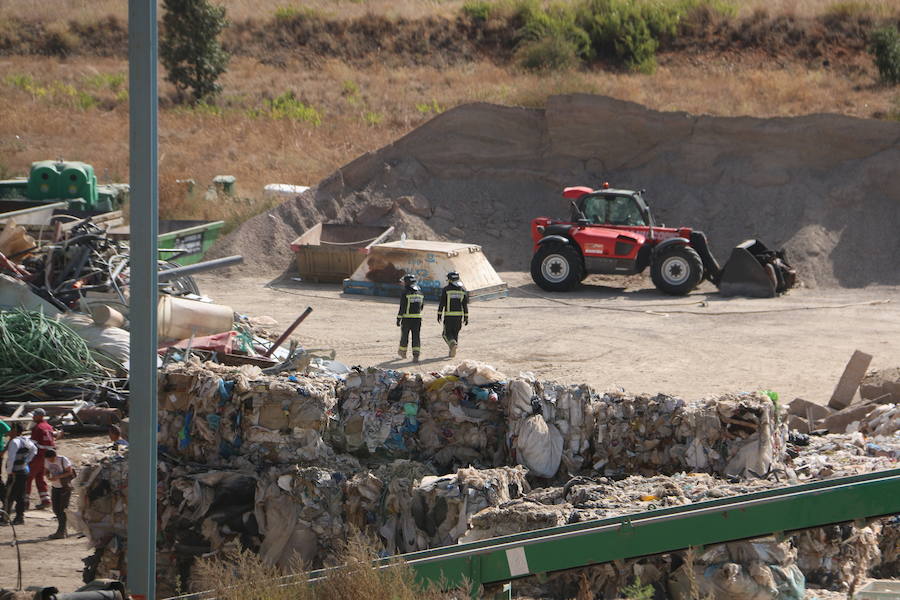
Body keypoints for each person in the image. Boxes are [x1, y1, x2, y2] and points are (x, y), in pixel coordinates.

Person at [27, 407, 61, 510]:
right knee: (40, 478)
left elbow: (32, 445)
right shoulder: (49, 427)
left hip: (38, 456)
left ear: (40, 416)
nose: (33, 417)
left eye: (35, 415)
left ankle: (24, 502)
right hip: (47, 458)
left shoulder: (37, 428)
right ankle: (45, 500)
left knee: (28, 479)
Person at [5, 423, 37, 526]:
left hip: (15, 472)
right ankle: (19, 517)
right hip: (23, 471)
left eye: (11, 430)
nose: (9, 432)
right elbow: (34, 450)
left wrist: (9, 472)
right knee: (20, 495)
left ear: (15, 431)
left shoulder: (14, 442)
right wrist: (26, 461)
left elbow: (11, 458)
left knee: (9, 495)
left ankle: (5, 517)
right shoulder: (26, 440)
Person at [44, 448, 75, 539]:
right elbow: (46, 471)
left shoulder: (63, 460)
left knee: (63, 509)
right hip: (55, 486)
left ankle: (61, 531)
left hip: (64, 487)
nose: (50, 461)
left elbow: (69, 472)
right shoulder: (47, 461)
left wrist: (58, 477)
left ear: (55, 456)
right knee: (56, 509)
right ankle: (62, 529)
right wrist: (48, 476)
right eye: (49, 460)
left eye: (51, 459)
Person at [437, 271, 469, 358]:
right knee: (455, 333)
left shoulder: (446, 289)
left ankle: (452, 344)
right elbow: (465, 305)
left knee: (446, 334)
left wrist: (439, 314)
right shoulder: (462, 290)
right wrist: (466, 317)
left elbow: (442, 303)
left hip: (449, 316)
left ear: (450, 280)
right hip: (459, 316)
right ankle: (452, 352)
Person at [397, 274, 424, 362]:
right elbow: (422, 306)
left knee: (405, 336)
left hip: (407, 318)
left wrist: (398, 318)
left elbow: (402, 307)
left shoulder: (405, 292)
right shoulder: (420, 292)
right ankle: (416, 355)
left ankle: (403, 352)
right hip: (418, 318)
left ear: (407, 283)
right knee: (416, 336)